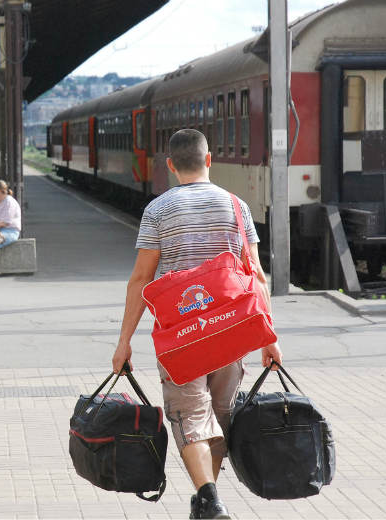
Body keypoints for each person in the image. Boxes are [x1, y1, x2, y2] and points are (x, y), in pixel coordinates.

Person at [111, 129, 282, 519]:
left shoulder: (158, 210)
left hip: (181, 336)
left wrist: (124, 342)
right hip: (231, 331)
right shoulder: (237, 207)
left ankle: (208, 497)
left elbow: (141, 279)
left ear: (170, 166)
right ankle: (209, 499)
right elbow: (256, 275)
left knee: (190, 416)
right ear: (209, 161)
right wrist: (268, 338)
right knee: (219, 417)